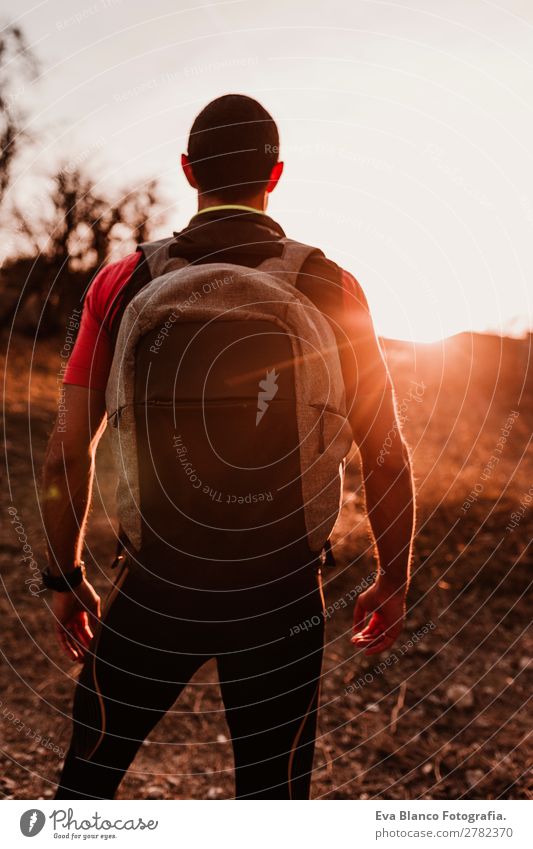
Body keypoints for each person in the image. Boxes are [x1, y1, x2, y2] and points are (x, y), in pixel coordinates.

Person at [41, 94, 415, 800]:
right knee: (271, 802)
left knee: (85, 785)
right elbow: (386, 453)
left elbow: (66, 451)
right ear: (274, 175)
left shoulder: (123, 282)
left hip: (154, 580)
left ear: (187, 171)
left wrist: (63, 579)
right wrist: (391, 579)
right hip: (281, 589)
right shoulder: (332, 285)